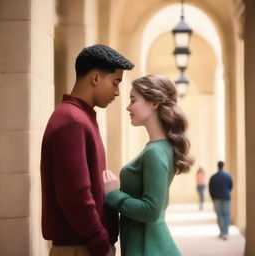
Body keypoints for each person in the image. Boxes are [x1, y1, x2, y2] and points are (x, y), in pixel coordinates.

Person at [40, 44, 134, 256]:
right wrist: (100, 243)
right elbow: (75, 195)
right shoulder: (72, 121)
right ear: (95, 78)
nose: (118, 92)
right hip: (81, 248)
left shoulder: (81, 117)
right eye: (115, 82)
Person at [103, 74, 194, 256]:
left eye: (133, 100)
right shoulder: (161, 148)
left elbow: (151, 211)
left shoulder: (155, 152)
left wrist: (113, 194)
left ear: (154, 103)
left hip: (149, 248)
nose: (128, 107)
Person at [209, 161, 233, 240]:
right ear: (223, 166)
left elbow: (210, 189)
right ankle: (225, 233)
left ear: (218, 166)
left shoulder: (213, 177)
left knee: (219, 215)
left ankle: (222, 232)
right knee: (226, 215)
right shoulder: (228, 176)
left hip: (217, 198)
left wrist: (213, 197)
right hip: (226, 198)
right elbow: (230, 186)